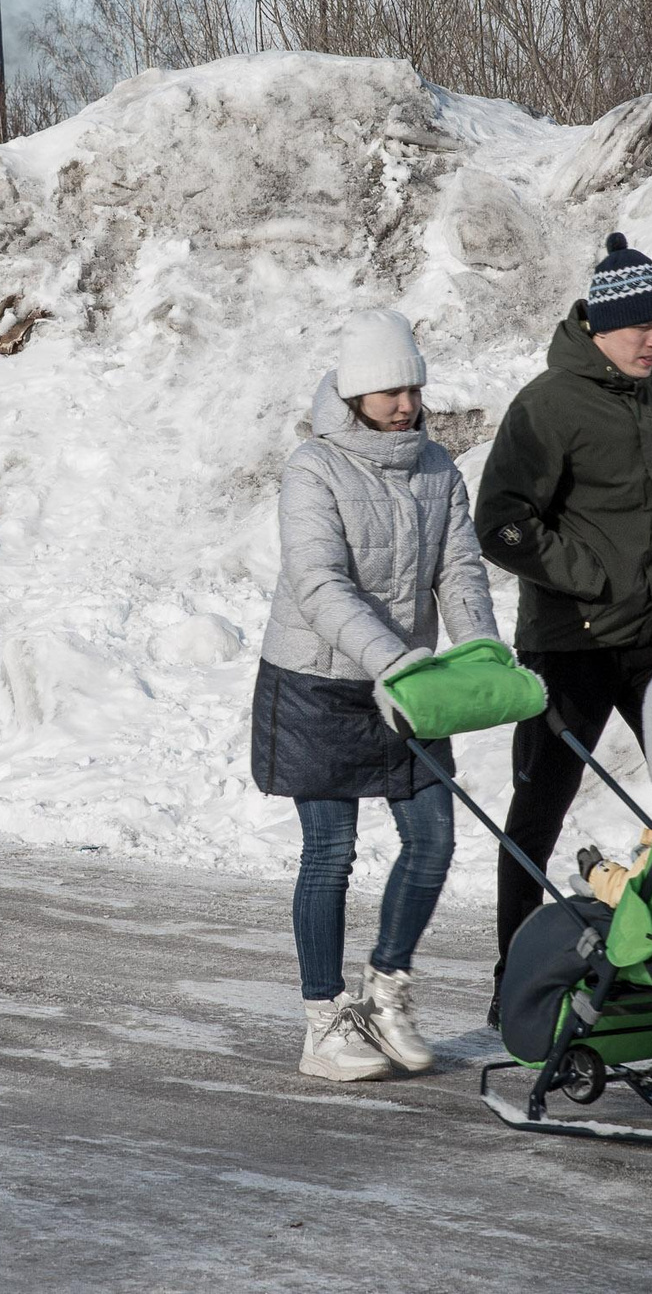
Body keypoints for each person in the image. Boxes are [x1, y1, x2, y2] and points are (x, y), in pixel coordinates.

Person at [255, 309, 499, 1081]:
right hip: (320, 682)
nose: (405, 403)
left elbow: (458, 568)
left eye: (413, 388)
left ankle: (386, 991)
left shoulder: (437, 468)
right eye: (390, 390)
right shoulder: (313, 467)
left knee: (434, 839)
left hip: (408, 683)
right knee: (330, 850)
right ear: (356, 393)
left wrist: (481, 653)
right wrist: (394, 658)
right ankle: (323, 1021)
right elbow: (318, 581)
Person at [473, 233, 652, 1020]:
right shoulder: (547, 404)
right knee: (536, 813)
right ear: (602, 325)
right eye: (642, 325)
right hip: (568, 643)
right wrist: (593, 577)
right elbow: (501, 523)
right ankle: (514, 982)